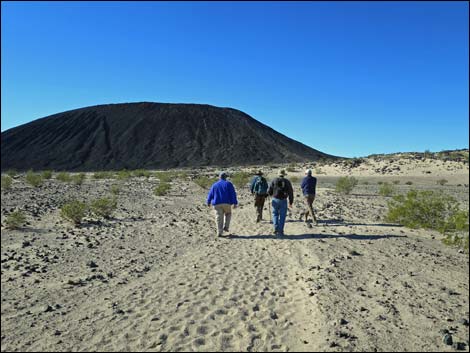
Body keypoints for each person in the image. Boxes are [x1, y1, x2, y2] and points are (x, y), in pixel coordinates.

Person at [206, 172, 238, 237]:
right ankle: (226, 227)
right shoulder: (229, 184)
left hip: (217, 203)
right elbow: (233, 194)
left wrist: (208, 201)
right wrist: (235, 202)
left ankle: (219, 232)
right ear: (225, 177)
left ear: (219, 177)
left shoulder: (214, 185)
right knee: (228, 214)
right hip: (227, 203)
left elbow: (210, 194)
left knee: (218, 217)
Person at [268, 169, 294, 237]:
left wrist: (270, 195)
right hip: (283, 200)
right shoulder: (287, 181)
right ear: (284, 174)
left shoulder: (274, 180)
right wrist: (291, 202)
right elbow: (291, 192)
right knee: (282, 216)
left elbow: (269, 190)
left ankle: (275, 228)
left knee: (275, 214)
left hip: (275, 199)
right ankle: (280, 231)